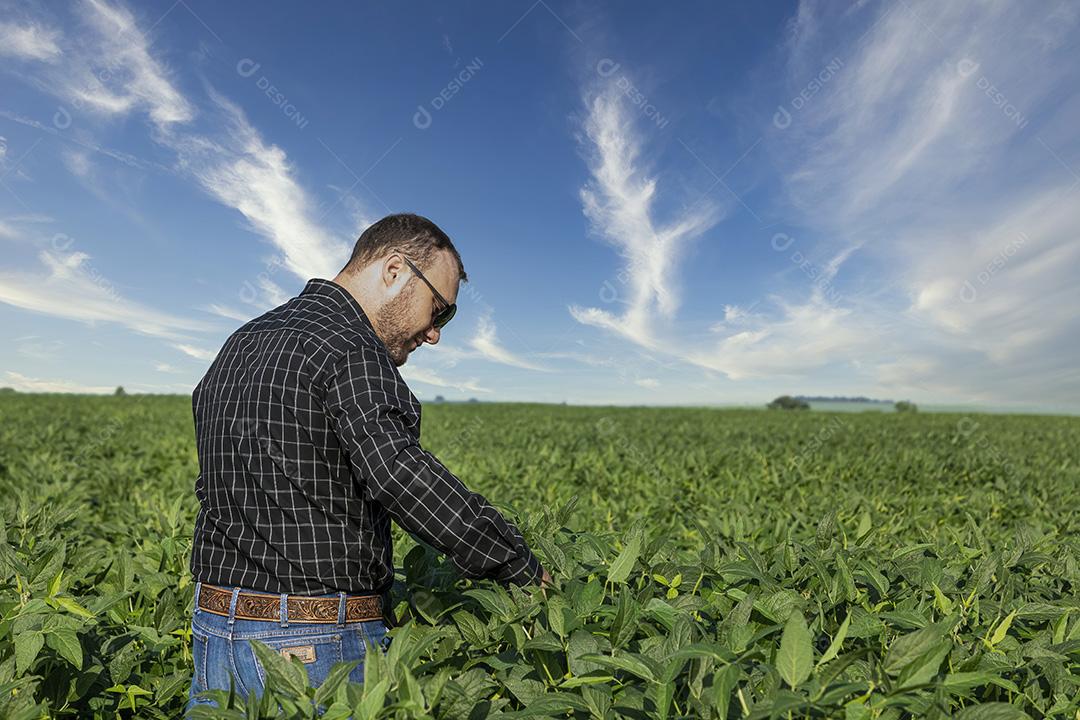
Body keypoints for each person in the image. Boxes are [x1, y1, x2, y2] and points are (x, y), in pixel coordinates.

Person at [185, 213, 550, 711]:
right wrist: (516, 563)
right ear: (395, 270)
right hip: (312, 644)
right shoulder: (351, 347)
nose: (435, 333)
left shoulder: (241, 342)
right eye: (439, 310)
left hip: (215, 630)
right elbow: (398, 473)